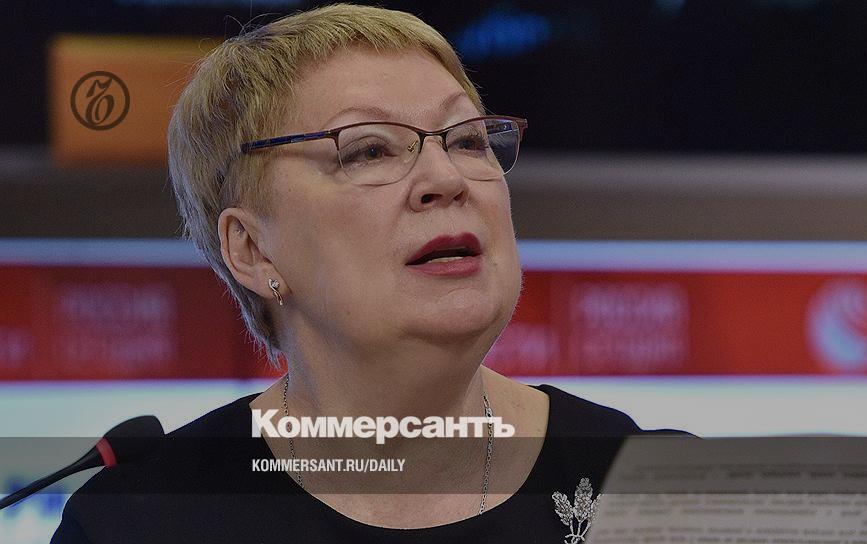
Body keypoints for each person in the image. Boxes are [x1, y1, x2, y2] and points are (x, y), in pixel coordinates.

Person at [52, 4, 688, 542]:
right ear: (252, 249)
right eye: (369, 150)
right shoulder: (135, 522)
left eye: (467, 140)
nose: (446, 179)